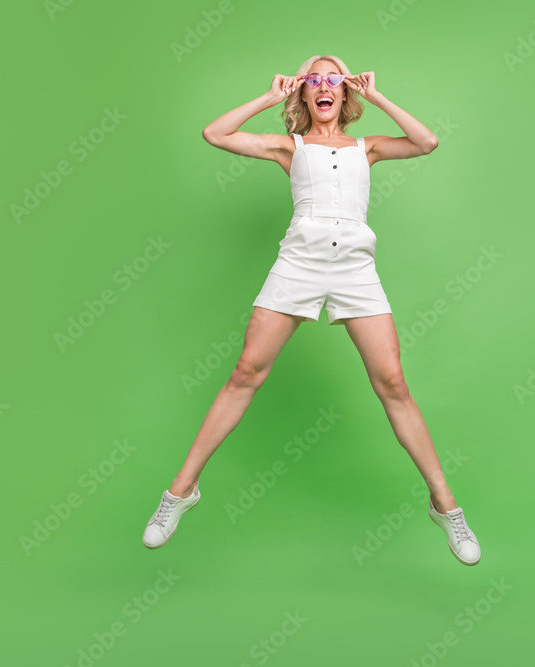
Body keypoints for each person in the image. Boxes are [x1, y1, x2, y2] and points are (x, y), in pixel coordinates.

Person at [142, 54, 480, 566]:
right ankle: (180, 492)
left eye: (334, 79)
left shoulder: (367, 148)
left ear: (345, 92)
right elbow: (215, 133)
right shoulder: (291, 146)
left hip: (355, 269)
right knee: (246, 373)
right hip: (299, 263)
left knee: (393, 383)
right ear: (303, 92)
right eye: (314, 80)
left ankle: (446, 506)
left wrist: (376, 95)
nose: (324, 86)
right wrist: (270, 96)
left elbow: (426, 141)